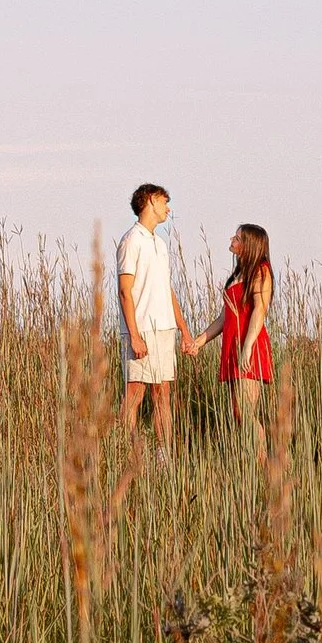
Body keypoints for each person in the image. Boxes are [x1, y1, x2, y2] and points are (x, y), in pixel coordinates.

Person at [116, 183, 189, 455]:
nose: (168, 208)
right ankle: (123, 452)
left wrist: (183, 329)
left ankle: (163, 455)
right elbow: (125, 291)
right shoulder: (131, 241)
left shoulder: (159, 243)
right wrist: (134, 335)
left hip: (164, 329)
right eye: (164, 201)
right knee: (134, 394)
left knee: (163, 395)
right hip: (142, 329)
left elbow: (166, 289)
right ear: (149, 201)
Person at [190, 223, 272, 456]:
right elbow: (225, 316)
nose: (231, 239)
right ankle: (250, 464)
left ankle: (265, 466)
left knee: (245, 411)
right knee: (237, 412)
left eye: (237, 238)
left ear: (249, 245)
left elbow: (260, 310)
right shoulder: (238, 274)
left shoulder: (261, 271)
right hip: (232, 345)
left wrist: (247, 347)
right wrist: (199, 341)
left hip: (250, 344)